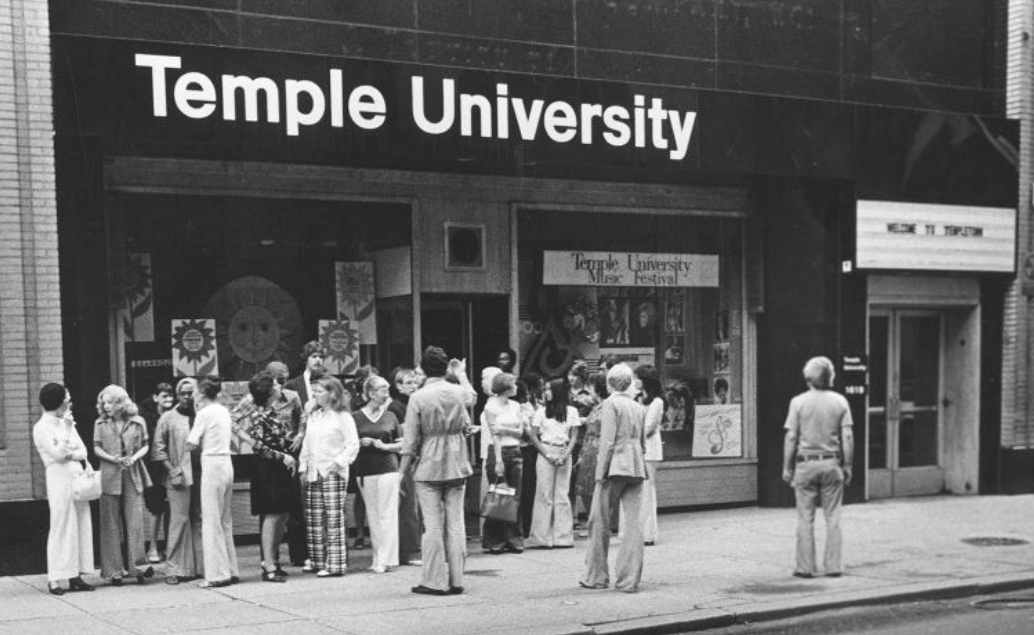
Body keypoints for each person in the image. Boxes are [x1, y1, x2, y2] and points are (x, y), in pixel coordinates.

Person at [399, 346, 476, 596]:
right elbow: (472, 398)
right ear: (445, 368)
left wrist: (401, 472)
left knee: (432, 525)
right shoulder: (457, 392)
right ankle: (457, 580)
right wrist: (461, 373)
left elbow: (410, 442)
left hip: (429, 463)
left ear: (423, 368)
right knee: (456, 523)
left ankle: (434, 580)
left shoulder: (418, 397)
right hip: (457, 461)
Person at [782, 356, 854, 579]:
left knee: (805, 517)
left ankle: (805, 568)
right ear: (829, 376)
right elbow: (848, 436)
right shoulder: (840, 401)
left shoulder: (798, 402)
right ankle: (833, 567)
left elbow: (791, 437)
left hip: (806, 463)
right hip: (832, 462)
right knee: (833, 517)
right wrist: (848, 465)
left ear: (808, 377)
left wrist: (787, 467)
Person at [580, 363, 647, 593]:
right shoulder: (637, 406)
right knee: (633, 525)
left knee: (599, 522)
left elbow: (607, 442)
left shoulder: (610, 404)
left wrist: (599, 474)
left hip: (614, 466)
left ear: (610, 383)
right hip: (636, 466)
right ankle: (629, 580)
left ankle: (596, 576)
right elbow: (642, 442)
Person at [231, 369, 302, 582]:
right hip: (267, 463)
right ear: (268, 390)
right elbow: (234, 422)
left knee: (283, 512)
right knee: (271, 513)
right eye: (275, 384)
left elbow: (296, 423)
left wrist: (298, 435)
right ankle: (268, 564)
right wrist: (249, 440)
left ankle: (274, 560)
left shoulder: (282, 403)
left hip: (284, 458)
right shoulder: (254, 409)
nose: (280, 386)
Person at [32, 383, 95, 595]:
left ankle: (75, 575)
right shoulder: (42, 427)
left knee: (79, 524)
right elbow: (58, 455)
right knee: (61, 525)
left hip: (75, 476)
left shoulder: (65, 423)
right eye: (66, 399)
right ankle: (55, 578)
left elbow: (82, 451)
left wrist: (69, 450)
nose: (69, 403)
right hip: (59, 479)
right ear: (57, 403)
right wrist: (67, 435)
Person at [298, 376, 360, 577]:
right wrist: (303, 467)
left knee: (334, 518)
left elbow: (353, 445)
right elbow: (307, 443)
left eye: (319, 391)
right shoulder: (315, 416)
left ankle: (335, 564)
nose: (314, 395)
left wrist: (338, 463)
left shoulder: (342, 417)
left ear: (332, 393)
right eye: (313, 391)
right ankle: (318, 560)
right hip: (314, 471)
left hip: (333, 471)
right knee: (315, 518)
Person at [93, 384, 154, 585]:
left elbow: (146, 445)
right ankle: (114, 571)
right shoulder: (100, 423)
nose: (106, 406)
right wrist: (113, 458)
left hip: (132, 473)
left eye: (110, 402)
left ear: (121, 403)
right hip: (109, 475)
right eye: (104, 402)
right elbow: (96, 448)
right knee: (110, 523)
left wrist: (134, 457)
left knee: (135, 521)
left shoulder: (138, 422)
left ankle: (138, 567)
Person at [186, 375, 240, 588]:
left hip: (211, 463)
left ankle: (217, 574)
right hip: (227, 463)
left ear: (200, 393)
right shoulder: (224, 411)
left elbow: (191, 443)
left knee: (210, 519)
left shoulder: (204, 413)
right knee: (225, 518)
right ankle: (231, 569)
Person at [152, 378, 204, 584]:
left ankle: (200, 566)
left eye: (191, 392)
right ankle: (173, 569)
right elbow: (158, 448)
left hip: (201, 473)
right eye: (183, 393)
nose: (187, 397)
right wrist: (172, 469)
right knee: (179, 521)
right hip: (178, 476)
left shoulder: (202, 415)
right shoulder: (168, 417)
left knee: (199, 519)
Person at [353, 375, 403, 573]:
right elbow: (346, 442)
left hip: (388, 468)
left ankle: (387, 559)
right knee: (372, 515)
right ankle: (377, 557)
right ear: (371, 393)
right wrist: (359, 443)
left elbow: (402, 443)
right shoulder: (355, 417)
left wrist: (385, 446)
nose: (386, 393)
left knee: (388, 514)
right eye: (383, 390)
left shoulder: (391, 416)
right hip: (364, 470)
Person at [527, 377, 580, 549]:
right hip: (546, 451)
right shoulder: (541, 412)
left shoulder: (571, 411)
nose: (546, 393)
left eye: (549, 389)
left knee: (562, 494)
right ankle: (541, 537)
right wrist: (547, 454)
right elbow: (534, 435)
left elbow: (574, 436)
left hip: (564, 451)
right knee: (544, 494)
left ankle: (563, 537)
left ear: (557, 392)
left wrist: (565, 454)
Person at [267, 360, 309, 569]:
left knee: (295, 505)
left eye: (283, 377)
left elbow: (301, 417)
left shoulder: (293, 397)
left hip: (291, 449)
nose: (280, 381)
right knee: (272, 507)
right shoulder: (263, 398)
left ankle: (299, 554)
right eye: (277, 377)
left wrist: (300, 435)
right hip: (271, 453)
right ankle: (269, 556)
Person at [481, 371, 525, 554]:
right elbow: (494, 434)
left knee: (515, 496)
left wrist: (505, 428)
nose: (516, 387)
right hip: (498, 451)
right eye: (513, 384)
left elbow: (521, 431)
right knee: (499, 495)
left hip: (515, 449)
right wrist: (498, 460)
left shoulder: (515, 405)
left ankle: (514, 538)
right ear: (506, 388)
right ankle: (496, 540)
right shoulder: (490, 406)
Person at [389, 367, 423, 566]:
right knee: (408, 507)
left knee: (414, 506)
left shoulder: (414, 403)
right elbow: (404, 435)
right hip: (405, 459)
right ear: (399, 385)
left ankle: (413, 548)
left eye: (415, 382)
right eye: (408, 383)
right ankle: (409, 551)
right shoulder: (397, 407)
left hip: (417, 457)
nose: (413, 386)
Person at [633, 365, 664, 546]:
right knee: (637, 490)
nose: (635, 381)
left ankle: (648, 532)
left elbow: (649, 426)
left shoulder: (657, 402)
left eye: (637, 378)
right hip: (637, 447)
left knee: (647, 488)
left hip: (650, 449)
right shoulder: (637, 399)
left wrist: (633, 435)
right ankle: (636, 530)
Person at [575, 371, 607, 537]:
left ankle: (599, 524)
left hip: (598, 448)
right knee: (586, 487)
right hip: (589, 447)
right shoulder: (595, 407)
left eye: (591, 386)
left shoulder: (607, 406)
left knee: (596, 487)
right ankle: (592, 522)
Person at [567, 361, 595, 526]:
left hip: (583, 438)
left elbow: (594, 414)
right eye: (570, 374)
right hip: (567, 436)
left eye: (574, 375)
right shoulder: (565, 393)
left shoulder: (590, 394)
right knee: (569, 479)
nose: (571, 378)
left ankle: (589, 515)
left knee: (584, 478)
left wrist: (582, 419)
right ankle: (572, 515)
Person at [518, 372, 544, 538]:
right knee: (525, 488)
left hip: (535, 448)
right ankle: (523, 526)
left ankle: (530, 524)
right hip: (525, 448)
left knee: (533, 487)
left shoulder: (539, 405)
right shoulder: (521, 407)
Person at [286, 341, 325, 406]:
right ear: (306, 359)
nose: (318, 360)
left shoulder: (330, 383)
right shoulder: (292, 384)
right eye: (314, 356)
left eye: (321, 357)